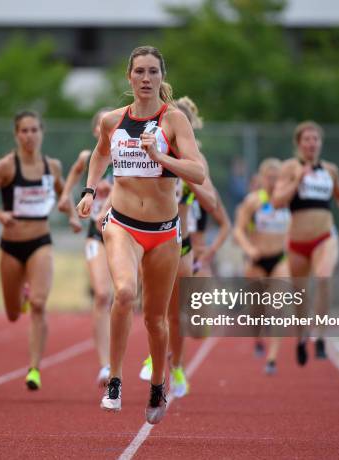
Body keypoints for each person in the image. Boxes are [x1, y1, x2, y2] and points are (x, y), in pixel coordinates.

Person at [76, 46, 205, 424]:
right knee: (125, 293)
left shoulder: (174, 121)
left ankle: (157, 385)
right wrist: (88, 190)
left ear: (162, 77)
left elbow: (196, 172)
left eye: (153, 72)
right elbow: (99, 155)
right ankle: (115, 379)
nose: (146, 79)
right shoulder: (112, 120)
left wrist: (161, 157)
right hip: (121, 224)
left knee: (155, 319)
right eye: (139, 72)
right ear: (129, 78)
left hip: (165, 232)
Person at [0, 110, 81, 391]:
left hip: (40, 240)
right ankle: (20, 295)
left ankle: (34, 368)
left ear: (42, 132)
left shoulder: (52, 166)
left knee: (39, 303)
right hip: (11, 245)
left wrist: (71, 216)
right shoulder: (7, 167)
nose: (30, 135)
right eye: (24, 130)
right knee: (12, 313)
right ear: (16, 134)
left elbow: (63, 194)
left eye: (34, 130)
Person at [138, 96, 217, 398]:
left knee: (176, 314)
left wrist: (185, 175)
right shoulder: (150, 148)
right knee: (152, 308)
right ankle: (152, 357)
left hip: (180, 240)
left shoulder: (198, 161)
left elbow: (210, 202)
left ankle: (178, 364)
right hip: (153, 235)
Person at [272, 121, 339, 365]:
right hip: (298, 241)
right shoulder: (289, 168)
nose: (311, 143)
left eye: (315, 139)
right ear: (299, 143)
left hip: (325, 236)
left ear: (320, 143)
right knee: (300, 294)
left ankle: (320, 336)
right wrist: (298, 179)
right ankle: (301, 337)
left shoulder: (330, 170)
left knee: (323, 277)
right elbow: (277, 201)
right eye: (307, 139)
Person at [57, 108, 113, 386]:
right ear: (95, 131)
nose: (108, 129)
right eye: (102, 125)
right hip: (97, 234)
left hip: (128, 233)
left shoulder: (129, 157)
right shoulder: (86, 157)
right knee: (102, 295)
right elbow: (70, 181)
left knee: (127, 297)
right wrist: (68, 208)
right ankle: (105, 366)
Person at [233, 158, 290, 375]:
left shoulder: (287, 201)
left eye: (278, 178)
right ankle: (258, 337)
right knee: (257, 310)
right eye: (270, 177)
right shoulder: (253, 201)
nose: (275, 181)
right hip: (256, 261)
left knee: (277, 307)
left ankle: (272, 358)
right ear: (262, 178)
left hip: (279, 259)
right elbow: (238, 230)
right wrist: (249, 249)